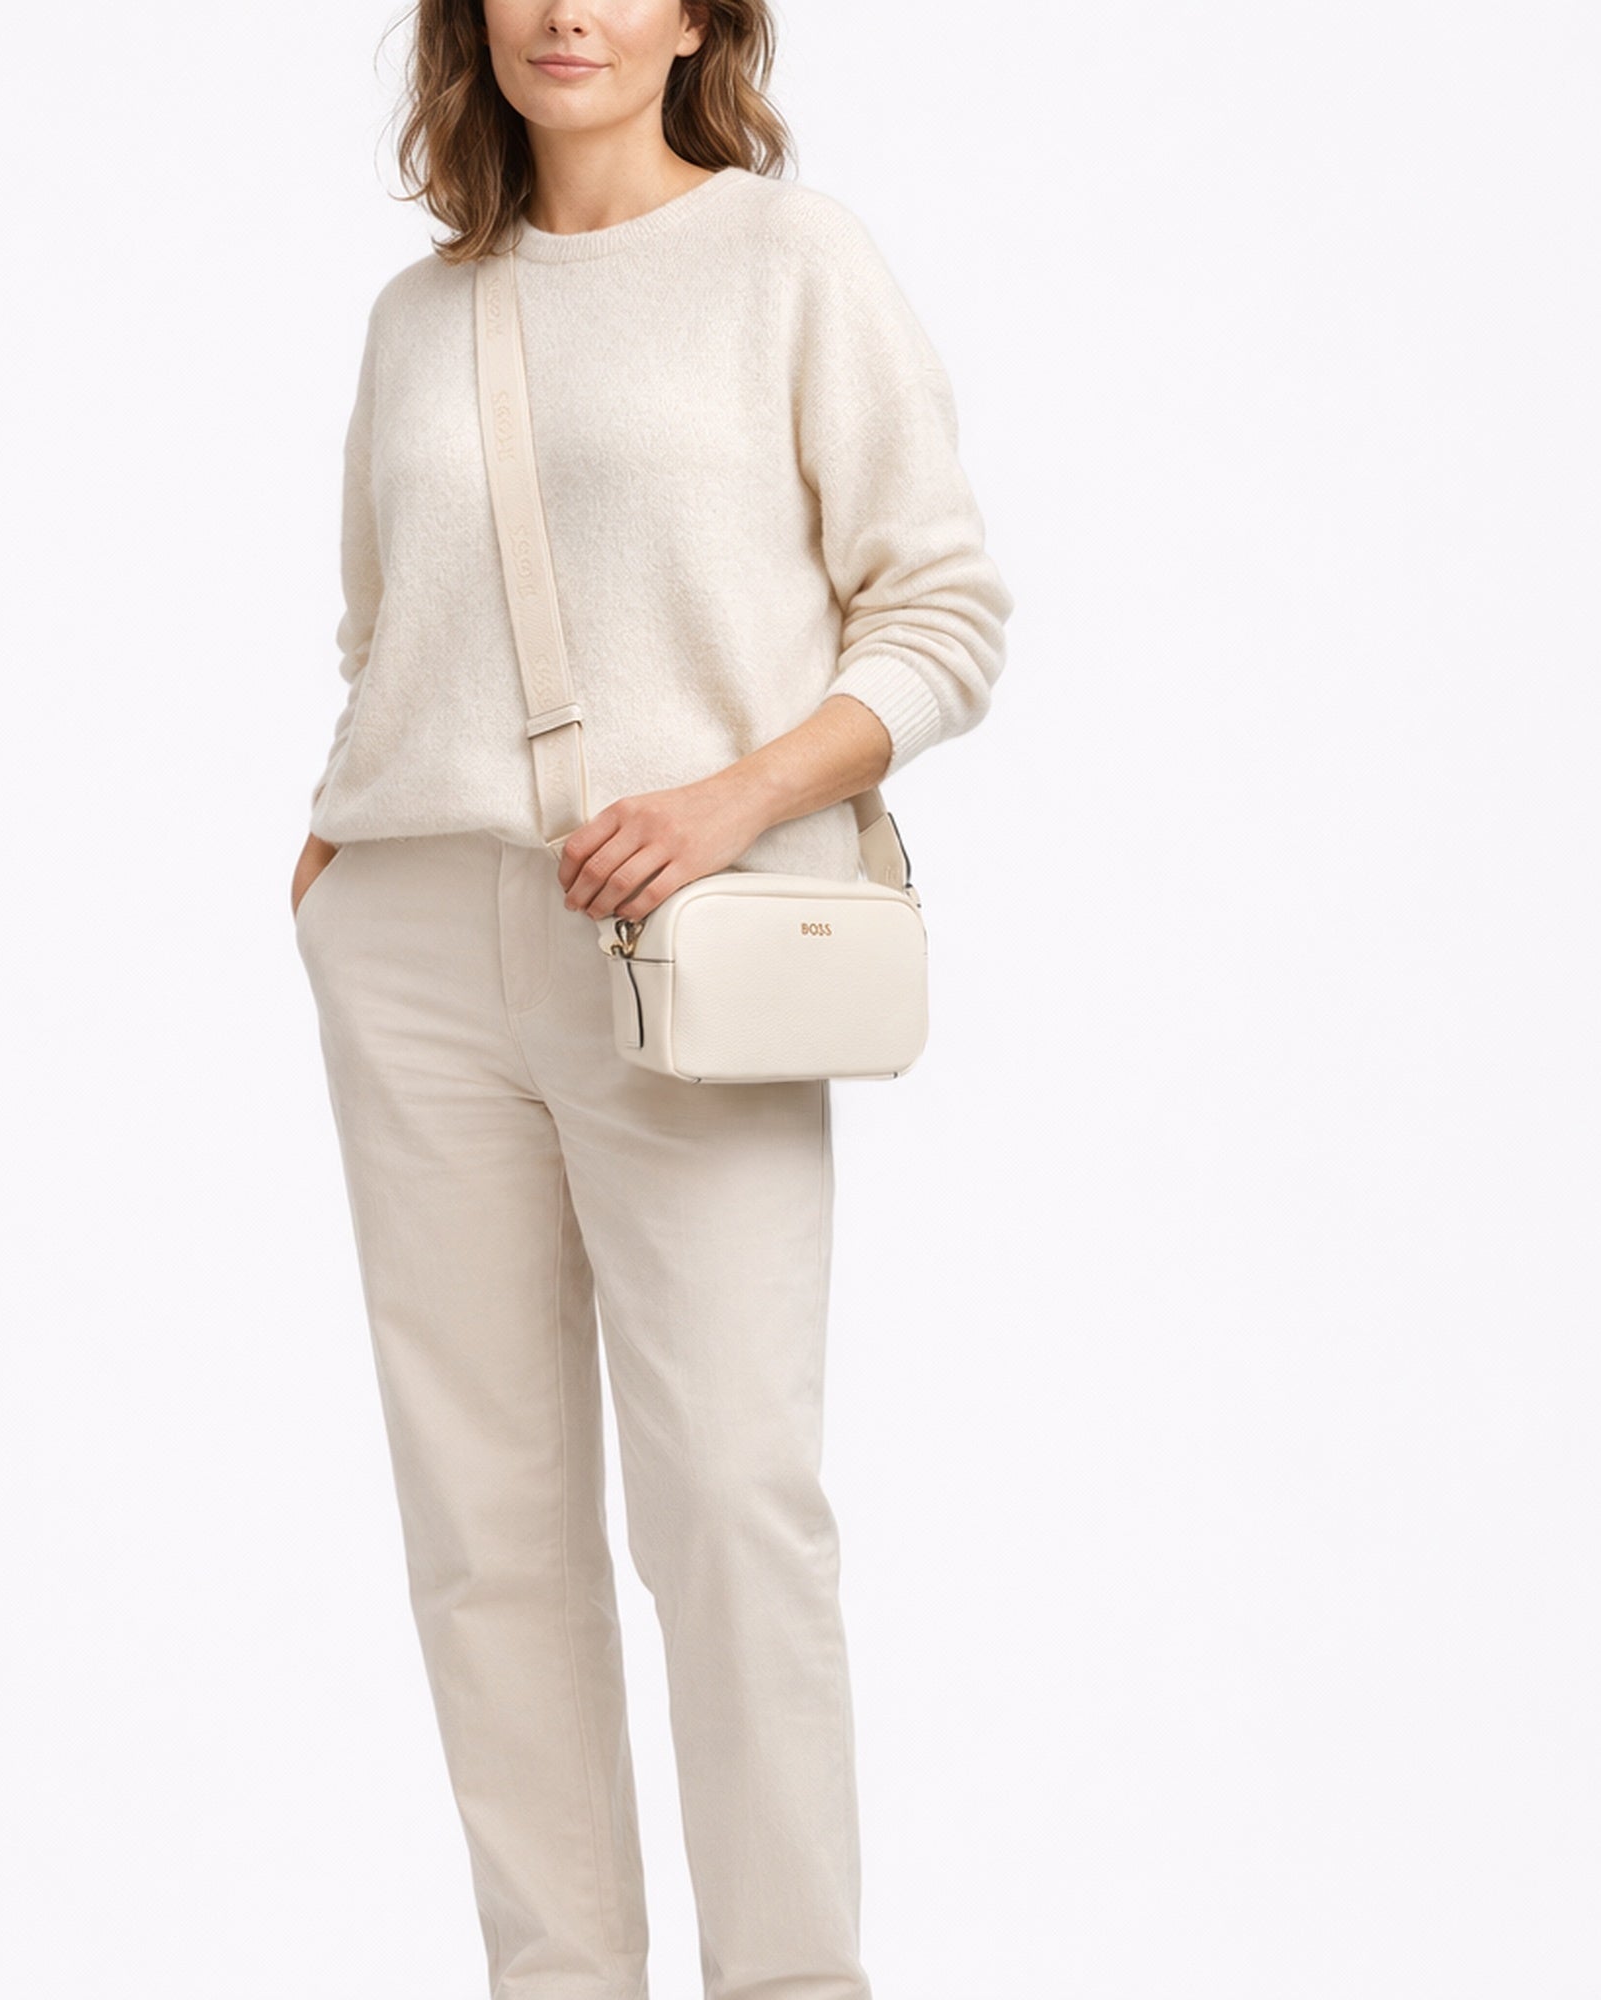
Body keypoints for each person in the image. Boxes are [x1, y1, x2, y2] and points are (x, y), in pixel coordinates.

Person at [290, 5, 1014, 1996]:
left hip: (688, 944)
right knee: (485, 1528)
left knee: (731, 1503)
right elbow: (381, 625)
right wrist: (339, 835)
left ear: (699, 15)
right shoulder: (418, 318)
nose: (566, 12)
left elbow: (942, 611)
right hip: (415, 940)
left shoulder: (793, 260)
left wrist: (728, 803)